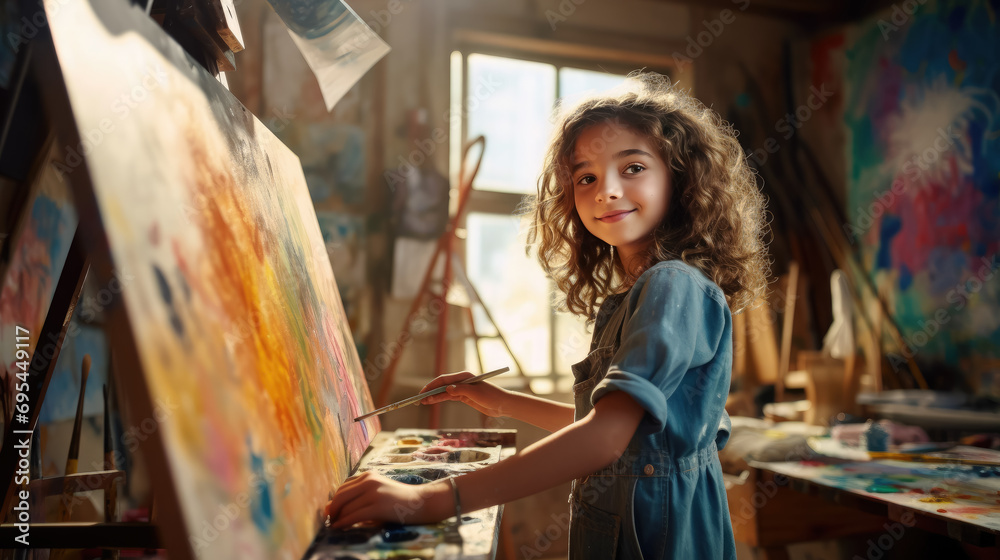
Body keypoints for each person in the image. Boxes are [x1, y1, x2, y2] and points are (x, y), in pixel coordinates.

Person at [326, 72, 769, 559]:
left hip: (662, 540)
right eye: (586, 177)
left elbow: (604, 439)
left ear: (680, 177)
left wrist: (431, 501)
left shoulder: (674, 285)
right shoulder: (641, 293)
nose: (607, 191)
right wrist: (502, 402)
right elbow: (621, 427)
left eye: (634, 167)